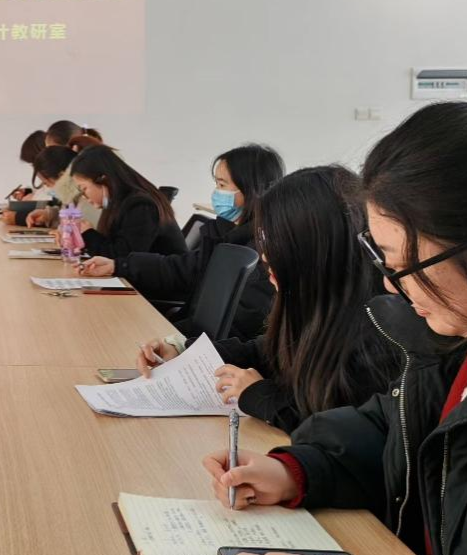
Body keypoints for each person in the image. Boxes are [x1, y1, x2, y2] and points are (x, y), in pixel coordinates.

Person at [202, 78, 467, 555]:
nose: (389, 284)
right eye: (383, 260)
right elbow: (400, 431)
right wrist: (301, 469)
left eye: (406, 264)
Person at [135, 166, 399, 432]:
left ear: (315, 248)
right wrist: (184, 351)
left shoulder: (378, 333)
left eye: (278, 241)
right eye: (265, 238)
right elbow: (265, 351)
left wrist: (261, 396)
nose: (265, 256)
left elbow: (340, 432)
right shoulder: (313, 302)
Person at [82, 144, 284, 339]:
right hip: (191, 334)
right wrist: (119, 265)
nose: (216, 193)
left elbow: (237, 327)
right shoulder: (225, 233)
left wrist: (176, 343)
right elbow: (182, 268)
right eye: (216, 184)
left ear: (251, 189)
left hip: (203, 346)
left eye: (222, 185)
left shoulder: (261, 254)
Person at [68, 145, 185, 258]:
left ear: (103, 179)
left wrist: (88, 234)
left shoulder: (141, 206)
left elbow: (123, 257)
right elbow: (112, 247)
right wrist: (79, 240)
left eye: (84, 189)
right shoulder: (119, 202)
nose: (84, 196)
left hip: (158, 272)